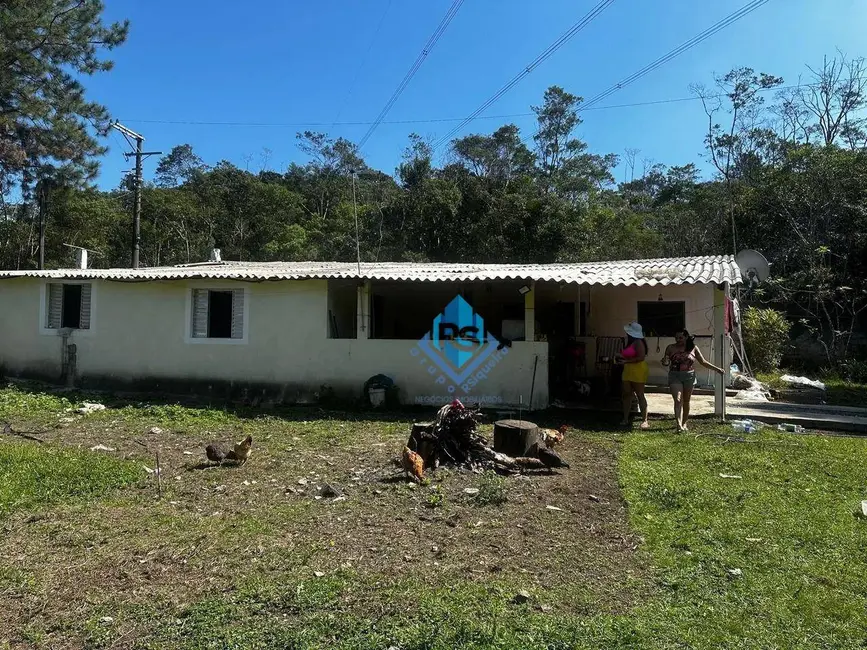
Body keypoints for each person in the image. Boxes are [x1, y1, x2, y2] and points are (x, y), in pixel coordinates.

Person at [661, 329, 725, 432]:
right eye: (676, 338)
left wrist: (717, 369)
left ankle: (684, 423)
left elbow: (703, 362)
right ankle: (678, 425)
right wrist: (664, 361)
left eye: (680, 337)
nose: (678, 340)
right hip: (675, 376)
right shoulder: (670, 348)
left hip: (689, 376)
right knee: (677, 399)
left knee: (686, 400)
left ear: (686, 337)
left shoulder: (693, 348)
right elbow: (666, 362)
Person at [616, 321, 649, 429]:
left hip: (638, 370)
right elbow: (628, 355)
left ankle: (645, 420)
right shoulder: (631, 342)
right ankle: (625, 418)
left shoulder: (638, 342)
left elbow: (641, 357)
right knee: (626, 394)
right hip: (628, 370)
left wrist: (626, 361)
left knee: (640, 394)